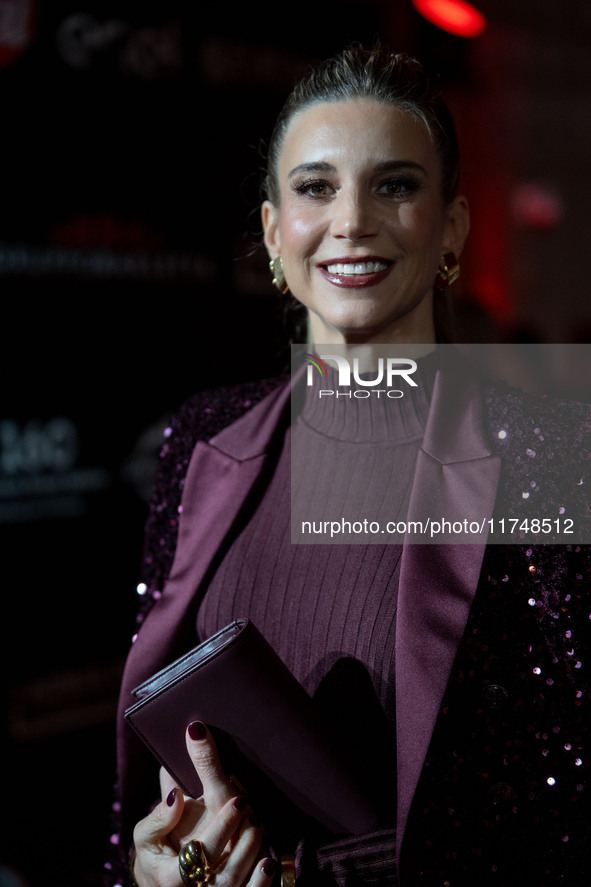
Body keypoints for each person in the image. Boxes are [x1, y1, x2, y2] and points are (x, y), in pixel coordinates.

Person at [106, 43, 590, 887]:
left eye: (395, 185)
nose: (353, 219)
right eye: (315, 187)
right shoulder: (203, 438)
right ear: (271, 232)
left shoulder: (552, 452)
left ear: (452, 227)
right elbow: (154, 795)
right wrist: (161, 862)